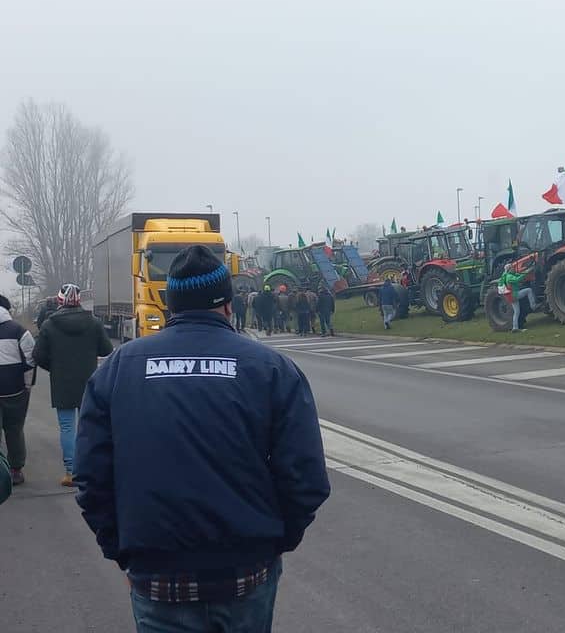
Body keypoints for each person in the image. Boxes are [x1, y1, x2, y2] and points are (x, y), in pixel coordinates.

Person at [74, 245, 330, 633]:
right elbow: (305, 477)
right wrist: (272, 545)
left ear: (168, 302)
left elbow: (92, 476)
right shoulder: (271, 369)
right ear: (228, 304)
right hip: (245, 572)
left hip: (157, 576)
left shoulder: (120, 369)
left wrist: (122, 552)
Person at [34, 283, 113, 487]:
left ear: (60, 300)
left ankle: (71, 472)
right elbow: (106, 349)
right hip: (89, 381)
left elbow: (38, 355)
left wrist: (54, 368)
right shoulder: (94, 323)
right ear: (79, 300)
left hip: (62, 382)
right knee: (89, 427)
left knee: (67, 427)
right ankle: (92, 469)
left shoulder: (49, 325)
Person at [0, 293, 35, 487]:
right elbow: (31, 359)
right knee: (14, 430)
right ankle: (15, 470)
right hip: (15, 391)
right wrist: (27, 385)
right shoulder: (19, 330)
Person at [498, 259, 537, 332]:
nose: (513, 268)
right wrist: (526, 273)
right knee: (529, 290)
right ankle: (533, 306)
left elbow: (518, 274)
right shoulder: (509, 277)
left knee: (516, 312)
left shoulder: (507, 275)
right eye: (512, 267)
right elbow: (517, 279)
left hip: (511, 297)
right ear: (509, 269)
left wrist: (526, 271)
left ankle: (515, 328)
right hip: (515, 294)